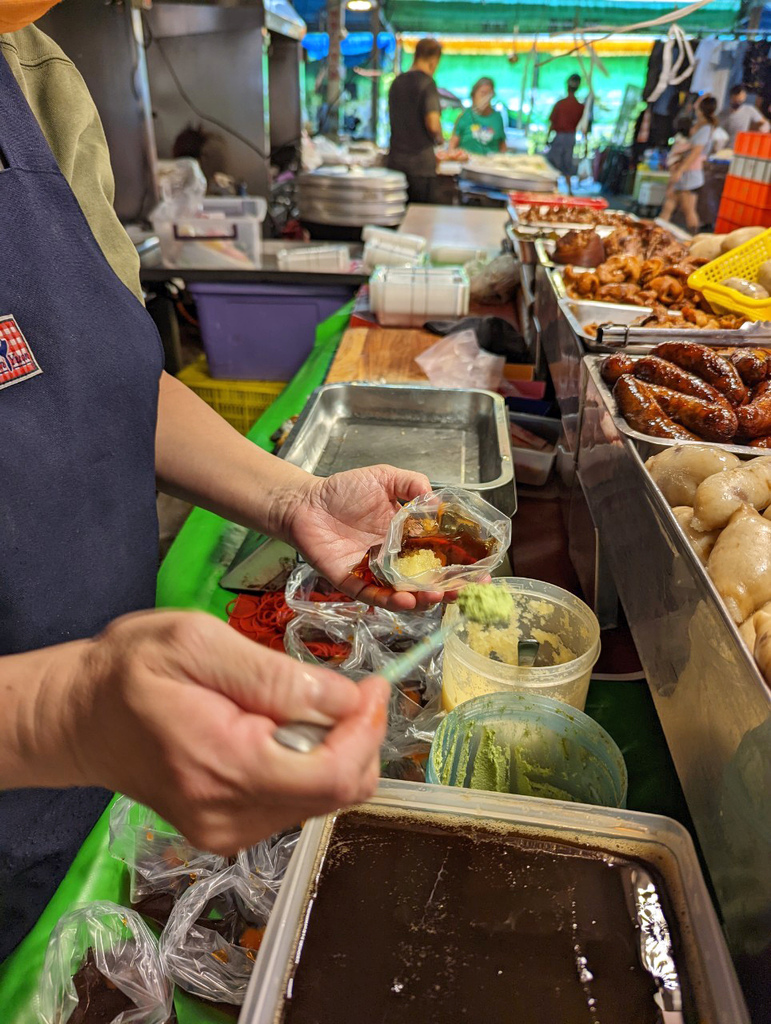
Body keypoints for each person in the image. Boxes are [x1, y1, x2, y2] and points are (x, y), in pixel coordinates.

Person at [0, 6, 444, 962]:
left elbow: (98, 376)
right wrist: (58, 711)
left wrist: (296, 500)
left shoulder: (36, 77)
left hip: (101, 781)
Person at [386, 37, 443, 204]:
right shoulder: (427, 83)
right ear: (434, 60)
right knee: (420, 221)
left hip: (395, 164)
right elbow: (433, 124)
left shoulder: (397, 83)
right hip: (420, 167)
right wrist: (440, 140)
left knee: (399, 218)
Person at [660, 94, 718, 232]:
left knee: (688, 210)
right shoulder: (700, 126)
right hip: (686, 171)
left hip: (689, 173)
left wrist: (679, 171)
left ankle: (694, 239)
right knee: (670, 202)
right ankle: (658, 230)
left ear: (701, 108)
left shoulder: (706, 128)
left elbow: (695, 153)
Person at [546, 74, 585, 194]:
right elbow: (584, 126)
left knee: (554, 163)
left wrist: (547, 138)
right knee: (567, 163)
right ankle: (569, 190)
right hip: (571, 138)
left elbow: (552, 123)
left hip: (560, 137)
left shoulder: (561, 104)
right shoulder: (580, 106)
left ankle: (555, 189)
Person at [449, 77, 507, 156]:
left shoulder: (497, 118)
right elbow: (452, 145)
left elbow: (502, 145)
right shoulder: (465, 116)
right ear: (473, 96)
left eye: (489, 94)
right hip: (468, 163)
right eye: (483, 93)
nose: (486, 98)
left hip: (490, 164)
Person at [722, 84, 769, 148]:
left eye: (740, 99)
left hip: (741, 147)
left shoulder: (749, 110)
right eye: (736, 99)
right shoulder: (723, 113)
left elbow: (765, 123)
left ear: (744, 97)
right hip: (725, 148)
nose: (738, 101)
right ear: (731, 97)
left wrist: (764, 128)